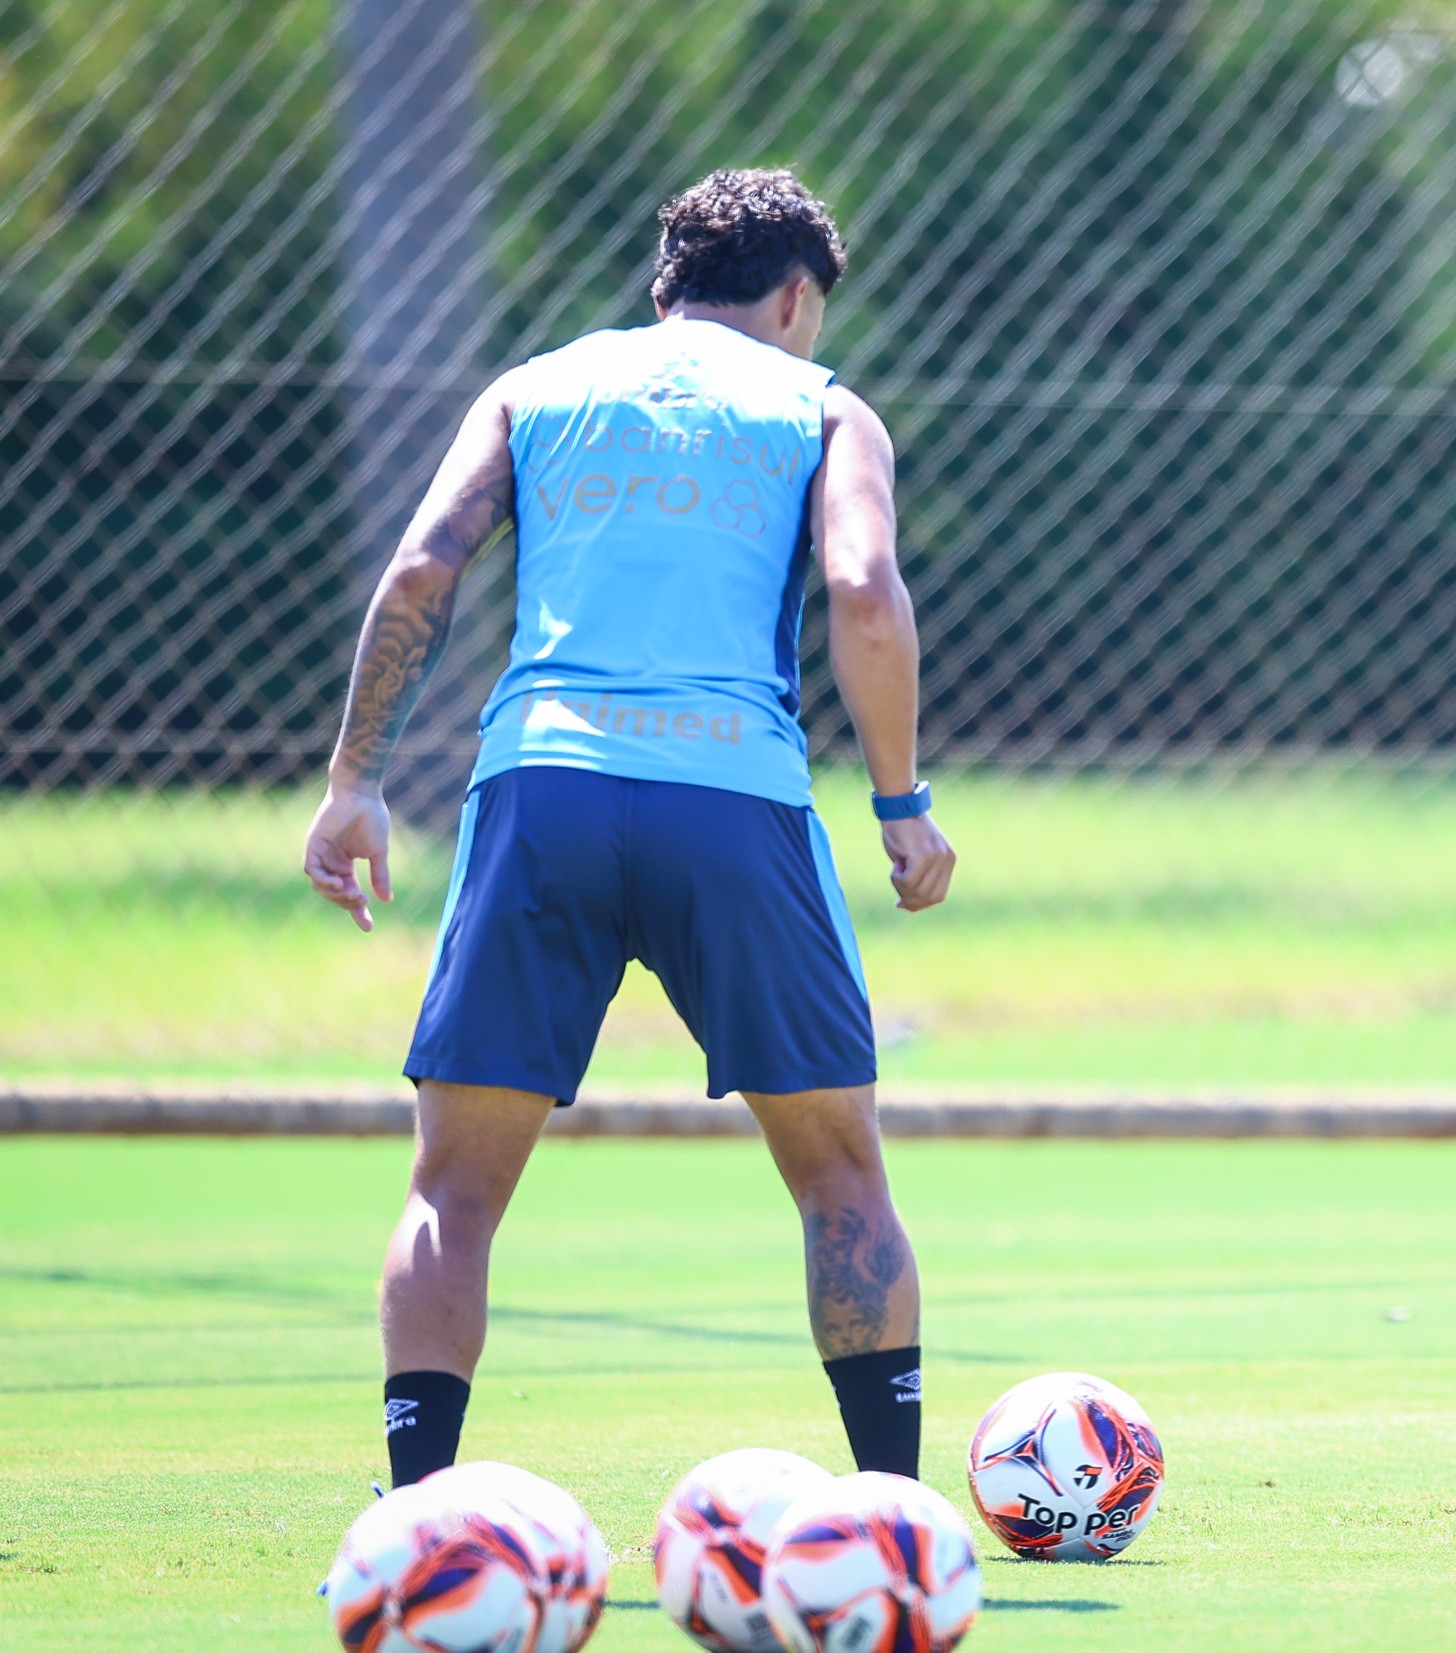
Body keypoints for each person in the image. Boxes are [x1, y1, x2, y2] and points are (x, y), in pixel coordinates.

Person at [301, 168, 955, 1490]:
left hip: (543, 785)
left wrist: (354, 778)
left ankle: (417, 1517)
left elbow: (423, 566)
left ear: (666, 287)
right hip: (736, 803)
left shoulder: (532, 389)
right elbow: (863, 587)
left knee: (453, 1189)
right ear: (793, 297)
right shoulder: (823, 406)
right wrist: (900, 804)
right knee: (838, 1171)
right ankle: (889, 1512)